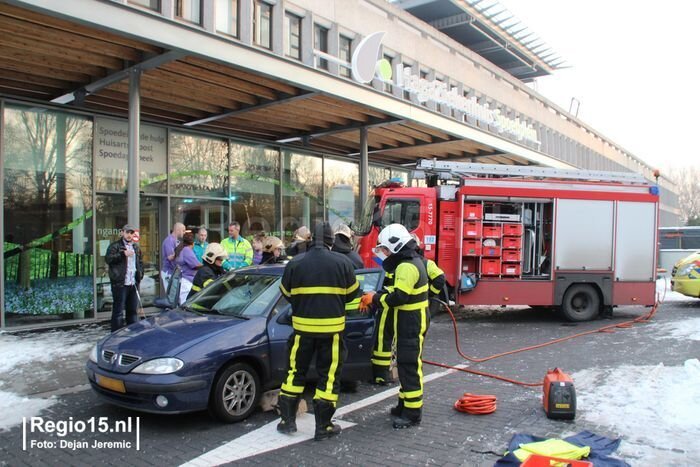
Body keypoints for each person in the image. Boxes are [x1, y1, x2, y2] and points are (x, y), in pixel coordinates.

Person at [277, 222, 359, 441]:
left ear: (311, 239)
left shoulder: (295, 263)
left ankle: (287, 422)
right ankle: (323, 427)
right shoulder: (343, 262)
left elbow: (286, 292)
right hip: (332, 332)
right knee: (329, 377)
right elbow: (352, 295)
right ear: (332, 240)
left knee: (294, 373)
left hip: (302, 330)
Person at [360, 223, 429, 429]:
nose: (383, 253)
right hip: (410, 321)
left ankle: (412, 414)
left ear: (396, 247)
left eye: (385, 249)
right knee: (406, 364)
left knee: (409, 367)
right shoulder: (411, 262)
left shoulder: (406, 267)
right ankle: (404, 405)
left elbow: (399, 297)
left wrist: (374, 298)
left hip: (411, 323)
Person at [105, 224, 144, 332]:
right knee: (118, 311)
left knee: (132, 310)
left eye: (131, 233)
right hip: (120, 283)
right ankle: (116, 333)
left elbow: (140, 262)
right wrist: (122, 254)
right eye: (127, 232)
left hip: (132, 283)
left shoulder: (136, 247)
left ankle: (132, 333)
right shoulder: (115, 246)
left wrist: (140, 275)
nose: (129, 235)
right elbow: (108, 259)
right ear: (122, 232)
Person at [412, 233, 446, 316]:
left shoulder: (398, 264)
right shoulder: (426, 263)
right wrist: (430, 293)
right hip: (419, 313)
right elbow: (440, 279)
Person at [174, 231, 201, 304]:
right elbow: (196, 265)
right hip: (187, 281)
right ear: (193, 243)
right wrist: (205, 266)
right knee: (186, 303)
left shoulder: (182, 249)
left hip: (184, 279)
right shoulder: (187, 250)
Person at [161, 222, 185, 291]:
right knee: (171, 297)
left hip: (174, 273)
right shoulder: (169, 241)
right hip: (169, 273)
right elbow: (170, 257)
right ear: (177, 230)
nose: (184, 233)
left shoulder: (176, 241)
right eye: (183, 230)